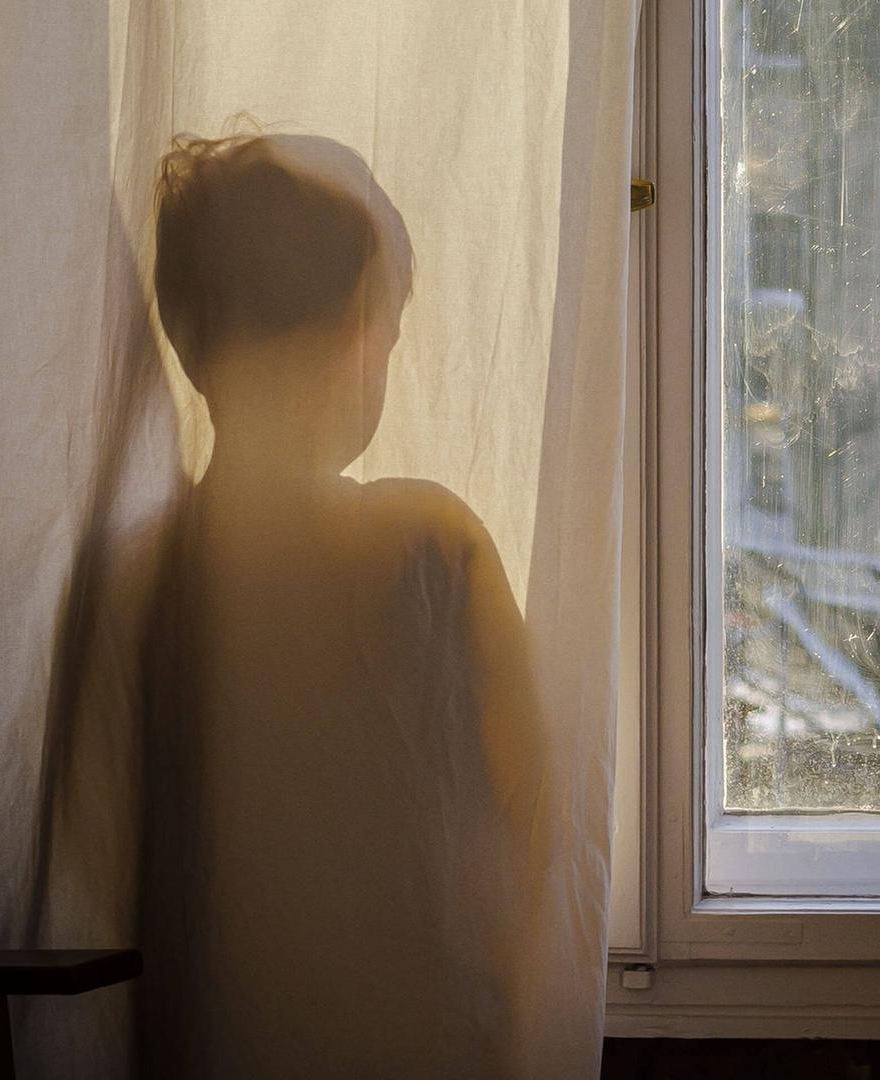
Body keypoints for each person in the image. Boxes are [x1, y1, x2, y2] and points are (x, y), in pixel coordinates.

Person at [139, 132, 552, 1077]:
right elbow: (531, 823)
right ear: (357, 329)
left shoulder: (148, 571)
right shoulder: (432, 542)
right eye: (393, 332)